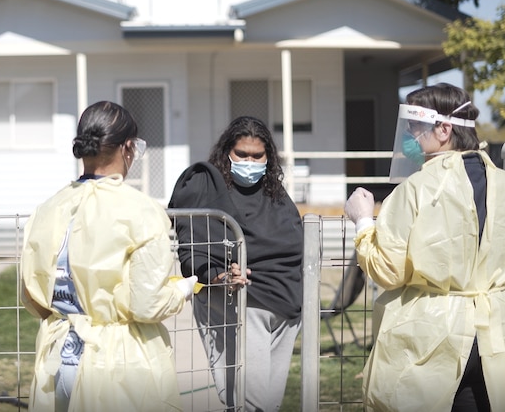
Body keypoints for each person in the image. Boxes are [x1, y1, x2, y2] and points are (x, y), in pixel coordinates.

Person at [344, 82, 505, 412]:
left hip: (431, 337)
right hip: (497, 335)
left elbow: (388, 271)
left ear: (444, 129)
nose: (409, 136)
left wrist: (363, 222)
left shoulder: (416, 188)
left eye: (415, 128)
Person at [20, 100, 198, 412]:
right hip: (119, 364)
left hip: (56, 357)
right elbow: (147, 304)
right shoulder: (141, 211)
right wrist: (180, 290)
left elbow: (32, 297)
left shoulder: (48, 209)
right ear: (128, 148)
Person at [168, 115, 304, 412]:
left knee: (268, 403)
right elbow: (193, 246)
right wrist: (218, 276)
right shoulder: (208, 187)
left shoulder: (276, 195)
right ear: (226, 152)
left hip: (287, 307)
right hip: (241, 302)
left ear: (269, 157)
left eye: (258, 156)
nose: (250, 162)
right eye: (241, 154)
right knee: (248, 402)